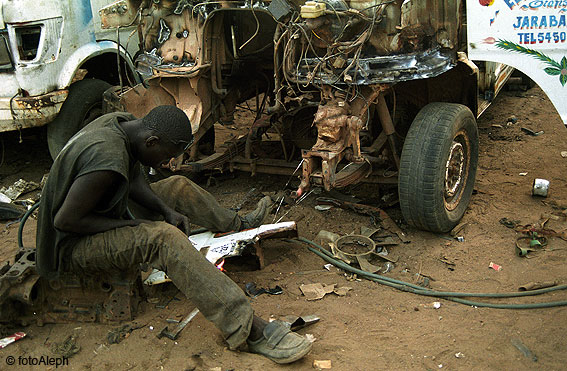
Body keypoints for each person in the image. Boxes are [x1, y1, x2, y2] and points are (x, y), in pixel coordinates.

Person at [36, 105, 312, 364]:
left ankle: (238, 224)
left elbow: (130, 180)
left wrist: (166, 210)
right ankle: (248, 328)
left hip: (104, 210)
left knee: (178, 187)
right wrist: (129, 227)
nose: (167, 161)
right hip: (71, 246)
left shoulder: (121, 124)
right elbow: (66, 220)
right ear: (151, 141)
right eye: (166, 155)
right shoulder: (107, 155)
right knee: (162, 239)